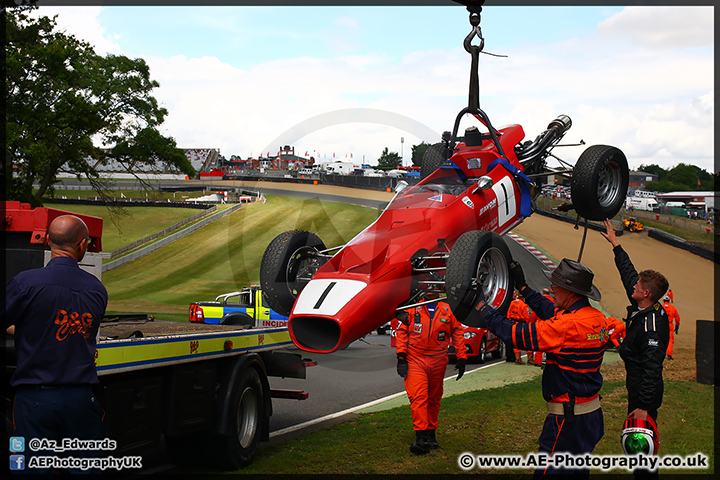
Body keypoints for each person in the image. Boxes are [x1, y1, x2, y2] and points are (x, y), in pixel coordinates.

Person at [477, 258, 613, 478]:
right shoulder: (594, 318)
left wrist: (483, 309)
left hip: (567, 420)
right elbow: (551, 310)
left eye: (556, 286)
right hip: (590, 415)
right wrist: (524, 288)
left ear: (570, 292)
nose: (551, 288)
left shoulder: (568, 325)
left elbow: (516, 335)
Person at [4, 215, 108, 475]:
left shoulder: (25, 283)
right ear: (82, 245)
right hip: (81, 397)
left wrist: (23, 329)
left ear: (48, 240)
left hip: (36, 397)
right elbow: (77, 332)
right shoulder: (97, 289)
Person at [600, 218, 669, 477]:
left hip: (644, 390)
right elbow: (629, 274)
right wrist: (616, 244)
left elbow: (653, 368)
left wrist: (643, 405)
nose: (634, 286)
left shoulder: (651, 325)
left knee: (640, 444)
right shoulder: (644, 303)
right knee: (637, 449)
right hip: (637, 384)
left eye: (638, 286)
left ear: (647, 294)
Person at [395, 293, 467, 455]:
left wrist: (462, 356)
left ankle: (431, 434)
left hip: (438, 360)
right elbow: (401, 332)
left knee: (434, 398)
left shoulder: (448, 309)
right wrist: (401, 357)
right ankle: (421, 437)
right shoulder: (412, 308)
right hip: (415, 359)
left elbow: (457, 331)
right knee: (418, 396)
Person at [506, 291, 530, 364]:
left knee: (515, 341)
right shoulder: (524, 305)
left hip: (513, 324)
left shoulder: (512, 303)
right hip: (521, 325)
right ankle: (529, 359)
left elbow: (508, 314)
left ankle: (517, 358)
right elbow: (527, 317)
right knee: (526, 341)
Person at [662, 296, 680, 360]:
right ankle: (669, 354)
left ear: (663, 300)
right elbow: (677, 318)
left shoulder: (660, 308)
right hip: (669, 325)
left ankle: (661, 354)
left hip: (661, 325)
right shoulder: (673, 308)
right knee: (670, 340)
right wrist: (677, 326)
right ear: (669, 300)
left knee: (660, 339)